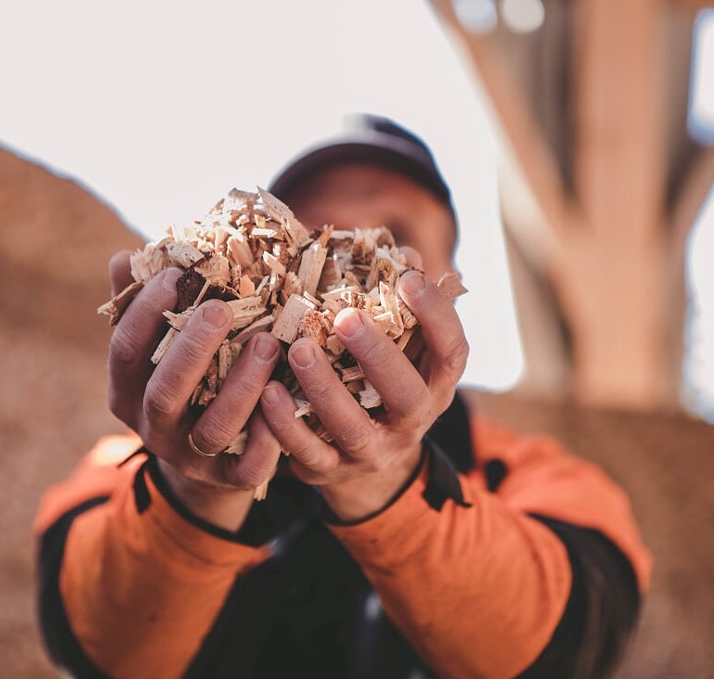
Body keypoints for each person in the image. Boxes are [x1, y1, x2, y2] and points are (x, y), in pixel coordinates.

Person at [34, 115, 651, 678]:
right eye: (319, 236)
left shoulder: (538, 474)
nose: (353, 254)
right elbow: (95, 649)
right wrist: (192, 488)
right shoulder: (121, 464)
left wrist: (387, 479)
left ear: (449, 276)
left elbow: (573, 646)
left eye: (393, 233)